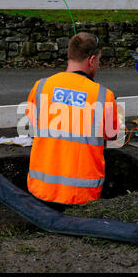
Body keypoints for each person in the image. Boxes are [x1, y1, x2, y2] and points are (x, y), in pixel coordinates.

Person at [26, 32, 119, 211]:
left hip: (40, 191)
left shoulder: (41, 86)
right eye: (99, 60)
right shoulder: (103, 96)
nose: (98, 65)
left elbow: (33, 123)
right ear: (91, 60)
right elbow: (113, 137)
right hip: (82, 196)